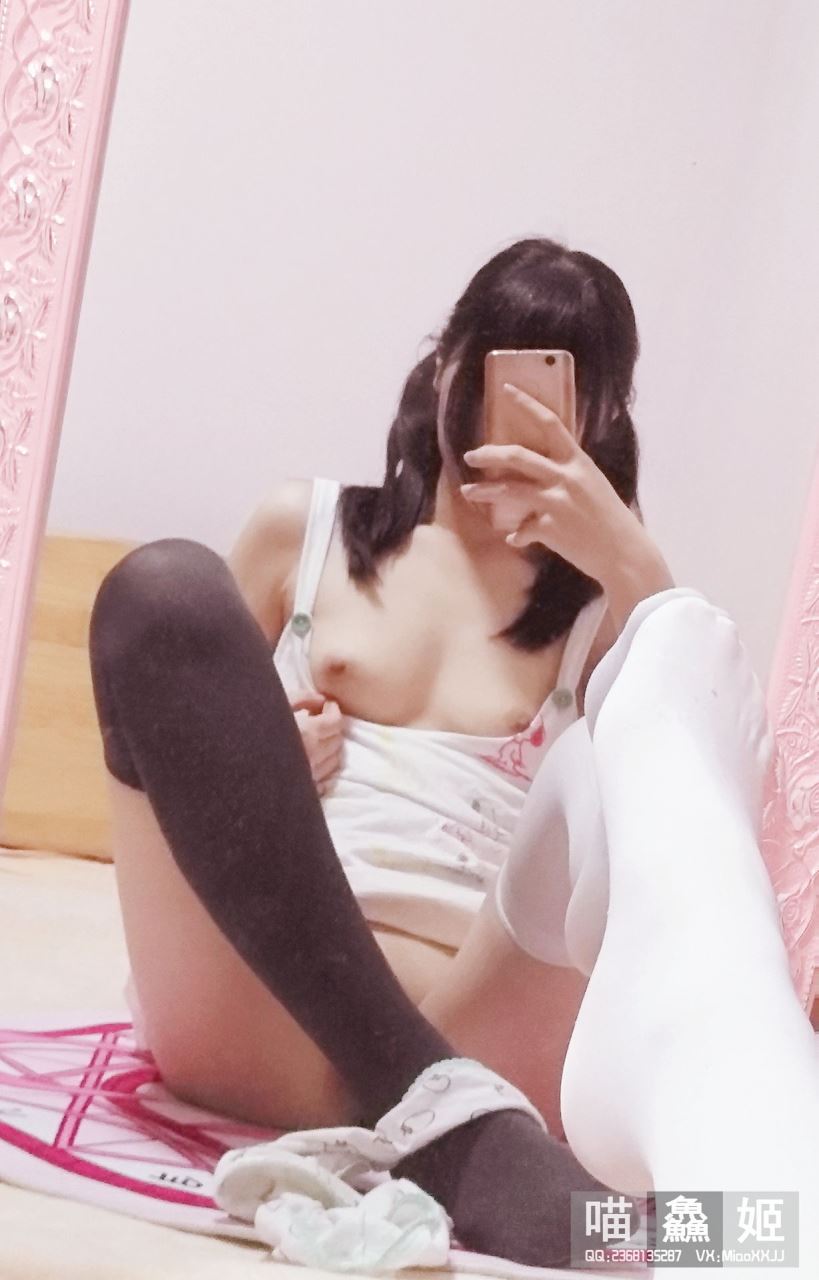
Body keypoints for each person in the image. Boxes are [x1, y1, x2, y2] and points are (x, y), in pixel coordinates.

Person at [90, 235, 815, 1268]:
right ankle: (446, 1123)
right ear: (445, 365)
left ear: (600, 420)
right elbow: (174, 730)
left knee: (608, 755)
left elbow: (701, 758)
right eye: (496, 372)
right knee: (161, 591)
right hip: (260, 1012)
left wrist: (628, 560)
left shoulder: (601, 611)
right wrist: (260, 761)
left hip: (482, 1029)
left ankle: (748, 1177)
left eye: (560, 391)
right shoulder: (303, 529)